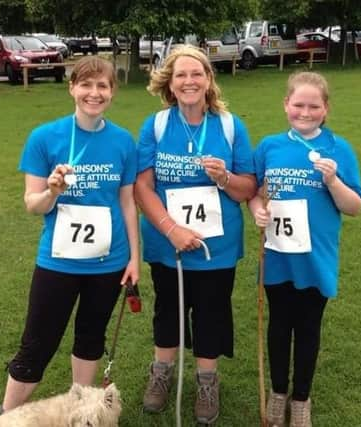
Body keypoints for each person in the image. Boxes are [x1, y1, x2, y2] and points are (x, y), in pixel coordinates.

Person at [0, 56, 139, 414]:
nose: (94, 93)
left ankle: (81, 414)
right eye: (86, 84)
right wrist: (52, 192)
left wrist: (135, 259)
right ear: (72, 87)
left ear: (112, 92)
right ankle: (7, 418)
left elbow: (127, 204)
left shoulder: (123, 141)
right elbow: (33, 204)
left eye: (102, 85)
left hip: (109, 262)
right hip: (58, 261)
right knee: (37, 344)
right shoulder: (45, 137)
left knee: (91, 340)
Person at [134, 45, 256, 424]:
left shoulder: (230, 125)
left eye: (196, 74)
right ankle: (161, 373)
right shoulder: (156, 124)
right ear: (170, 82)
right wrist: (171, 229)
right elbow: (142, 186)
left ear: (208, 80)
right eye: (181, 74)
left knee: (211, 312)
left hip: (216, 246)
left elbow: (247, 187)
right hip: (167, 242)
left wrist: (224, 178)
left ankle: (206, 380)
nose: (189, 81)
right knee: (168, 309)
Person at [248, 71, 361, 427]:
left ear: (325, 109)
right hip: (279, 255)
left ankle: (301, 398)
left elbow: (354, 206)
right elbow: (256, 192)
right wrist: (257, 211)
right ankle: (279, 392)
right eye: (298, 104)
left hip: (316, 256)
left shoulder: (338, 148)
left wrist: (332, 180)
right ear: (286, 105)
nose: (305, 112)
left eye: (314, 106)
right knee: (280, 325)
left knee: (309, 327)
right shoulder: (269, 146)